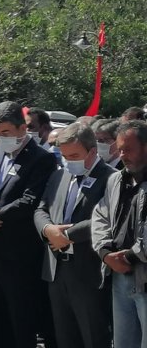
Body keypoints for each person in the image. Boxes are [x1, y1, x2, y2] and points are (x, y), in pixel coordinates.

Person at [0, 101, 58, 348]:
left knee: (20, 323)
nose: (1, 138)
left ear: (22, 128)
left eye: (6, 133)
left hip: (17, 256)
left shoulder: (42, 159)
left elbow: (30, 201)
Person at [34, 123, 113, 348]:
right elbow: (41, 208)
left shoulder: (112, 178)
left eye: (75, 155)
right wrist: (47, 229)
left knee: (93, 336)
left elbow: (107, 217)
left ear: (93, 151)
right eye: (65, 156)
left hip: (88, 273)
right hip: (56, 271)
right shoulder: (60, 175)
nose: (69, 161)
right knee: (64, 337)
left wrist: (67, 234)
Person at [92, 120, 147, 348]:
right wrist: (105, 253)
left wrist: (129, 257)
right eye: (120, 149)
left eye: (129, 149)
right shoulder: (116, 179)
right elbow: (100, 215)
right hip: (120, 276)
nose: (122, 155)